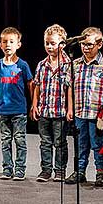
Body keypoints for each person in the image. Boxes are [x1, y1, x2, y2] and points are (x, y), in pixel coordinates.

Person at [64, 27, 103, 187]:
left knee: (98, 144)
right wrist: (70, 109)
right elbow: (70, 87)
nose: (85, 47)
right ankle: (80, 171)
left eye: (90, 44)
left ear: (100, 44)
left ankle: (100, 173)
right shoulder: (75, 64)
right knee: (80, 144)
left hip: (97, 113)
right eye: (83, 44)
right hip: (79, 112)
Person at [31, 24, 73, 182]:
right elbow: (37, 86)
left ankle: (60, 170)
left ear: (62, 44)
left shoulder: (68, 65)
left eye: (53, 43)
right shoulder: (42, 65)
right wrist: (35, 105)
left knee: (60, 142)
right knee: (45, 142)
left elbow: (69, 89)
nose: (49, 46)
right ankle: (46, 170)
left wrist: (70, 108)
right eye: (47, 43)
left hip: (60, 111)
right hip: (44, 111)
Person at [0, 27, 33, 181]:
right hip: (3, 110)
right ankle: (7, 169)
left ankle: (20, 169)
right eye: (4, 42)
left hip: (19, 110)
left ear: (18, 45)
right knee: (5, 141)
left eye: (11, 42)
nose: (8, 44)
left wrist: (33, 104)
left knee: (20, 140)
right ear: (0, 45)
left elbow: (30, 84)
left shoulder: (22, 65)